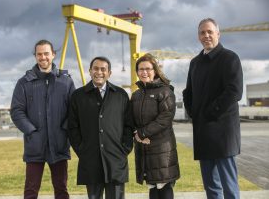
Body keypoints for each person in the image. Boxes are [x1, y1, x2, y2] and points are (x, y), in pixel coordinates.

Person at [183, 18, 243, 199]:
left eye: (210, 31)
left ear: (218, 33)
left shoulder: (230, 58)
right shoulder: (195, 63)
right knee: (211, 186)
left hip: (223, 133)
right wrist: (193, 112)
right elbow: (188, 92)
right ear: (198, 36)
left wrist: (209, 112)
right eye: (202, 32)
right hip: (203, 132)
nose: (206, 35)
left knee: (229, 187)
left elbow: (234, 92)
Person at [10, 39, 75, 199]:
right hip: (34, 146)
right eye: (39, 54)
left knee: (61, 189)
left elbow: (74, 110)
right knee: (31, 191)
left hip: (59, 144)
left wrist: (64, 129)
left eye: (46, 53)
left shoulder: (65, 81)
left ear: (53, 55)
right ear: (35, 56)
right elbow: (17, 110)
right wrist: (31, 131)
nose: (43, 57)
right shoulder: (24, 83)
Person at [68, 56, 133, 199]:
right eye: (95, 69)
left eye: (103, 69)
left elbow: (128, 125)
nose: (99, 72)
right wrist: (81, 149)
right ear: (89, 71)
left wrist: (125, 149)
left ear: (109, 73)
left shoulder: (121, 95)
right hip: (90, 159)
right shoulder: (78, 96)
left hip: (116, 160)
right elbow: (72, 127)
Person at [131, 53, 180, 199]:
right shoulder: (136, 95)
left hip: (162, 149)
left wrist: (142, 134)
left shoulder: (165, 91)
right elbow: (130, 119)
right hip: (144, 148)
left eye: (148, 69)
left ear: (155, 71)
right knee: (152, 186)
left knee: (163, 186)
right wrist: (137, 135)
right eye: (140, 69)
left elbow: (165, 119)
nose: (144, 72)